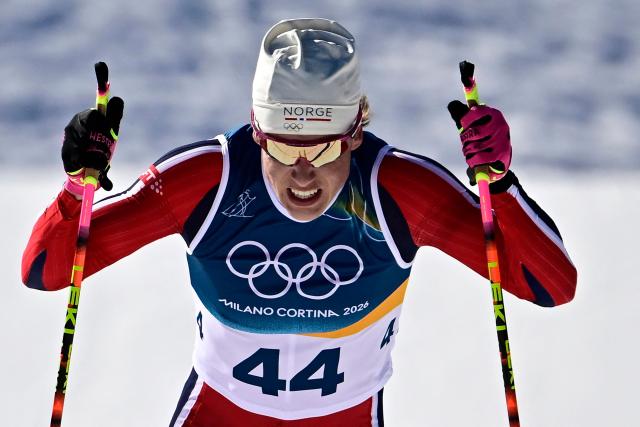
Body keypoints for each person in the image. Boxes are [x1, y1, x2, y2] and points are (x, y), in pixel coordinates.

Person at [22, 18, 577, 427]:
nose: (303, 175)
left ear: (357, 131)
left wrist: (500, 185)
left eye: (326, 149)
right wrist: (77, 190)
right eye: (284, 151)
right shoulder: (207, 182)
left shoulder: (399, 193)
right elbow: (47, 270)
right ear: (258, 131)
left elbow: (551, 286)